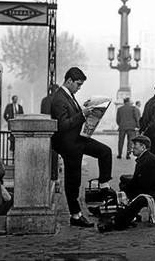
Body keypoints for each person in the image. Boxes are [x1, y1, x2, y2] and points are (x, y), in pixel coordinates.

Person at [51, 67, 114, 228]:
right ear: (69, 80)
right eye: (78, 84)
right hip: (69, 144)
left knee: (105, 152)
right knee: (73, 181)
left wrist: (86, 108)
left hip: (77, 139)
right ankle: (75, 215)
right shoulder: (59, 98)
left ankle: (104, 186)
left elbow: (71, 117)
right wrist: (83, 114)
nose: (79, 88)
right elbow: (62, 125)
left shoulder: (68, 95)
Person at [96, 135, 155, 232]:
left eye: (135, 145)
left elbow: (145, 186)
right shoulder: (144, 158)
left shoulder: (148, 161)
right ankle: (103, 209)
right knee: (125, 189)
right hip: (152, 189)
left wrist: (128, 190)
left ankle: (118, 222)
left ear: (143, 147)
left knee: (138, 199)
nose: (132, 147)